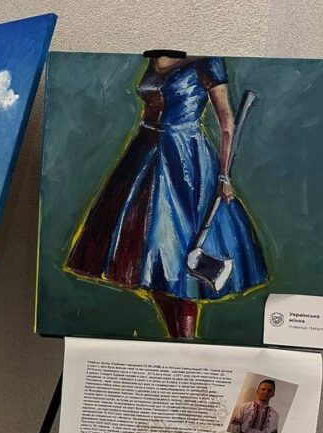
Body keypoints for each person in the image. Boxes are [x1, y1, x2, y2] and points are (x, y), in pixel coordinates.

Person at [65, 56, 267, 338]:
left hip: (185, 165)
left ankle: (186, 343)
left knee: (180, 265)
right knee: (150, 264)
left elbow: (226, 123)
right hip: (144, 155)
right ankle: (178, 340)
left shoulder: (207, 61)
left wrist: (223, 176)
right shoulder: (155, 57)